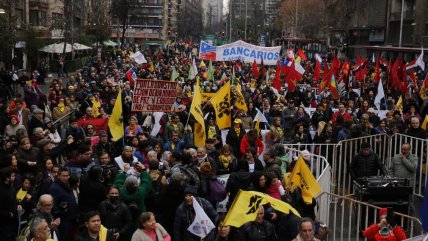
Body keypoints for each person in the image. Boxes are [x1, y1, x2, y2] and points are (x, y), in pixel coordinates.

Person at [49, 167, 78, 241]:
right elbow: (52, 205)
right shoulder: (55, 188)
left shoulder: (66, 185)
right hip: (63, 221)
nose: (66, 178)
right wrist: (61, 211)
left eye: (67, 176)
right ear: (58, 176)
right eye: (64, 176)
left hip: (71, 220)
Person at [0, 167, 18, 241]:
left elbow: (13, 200)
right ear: (7, 178)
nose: (15, 177)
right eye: (13, 176)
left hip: (13, 223)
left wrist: (18, 204)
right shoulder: (1, 190)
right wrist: (8, 214)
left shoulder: (11, 187)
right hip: (4, 225)